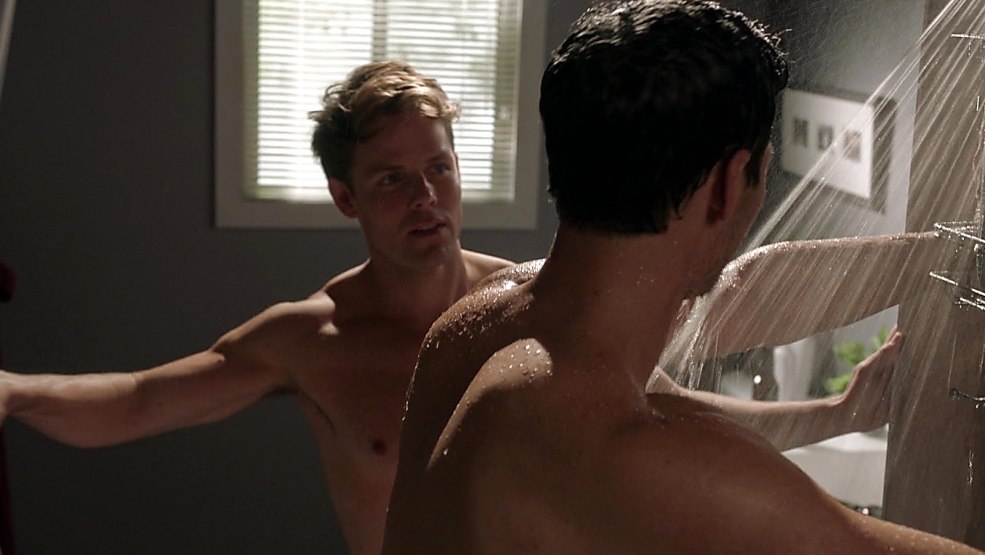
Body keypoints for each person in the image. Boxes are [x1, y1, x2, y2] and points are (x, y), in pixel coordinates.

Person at [0, 61, 942, 554]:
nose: (426, 198)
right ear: (345, 196)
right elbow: (137, 398)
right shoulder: (312, 340)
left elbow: (665, 419)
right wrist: (11, 391)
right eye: (391, 179)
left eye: (439, 168)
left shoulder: (523, 301)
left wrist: (835, 410)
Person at [382, 2, 979, 553]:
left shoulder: (482, 322)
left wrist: (840, 410)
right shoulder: (643, 458)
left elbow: (737, 301)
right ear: (729, 184)